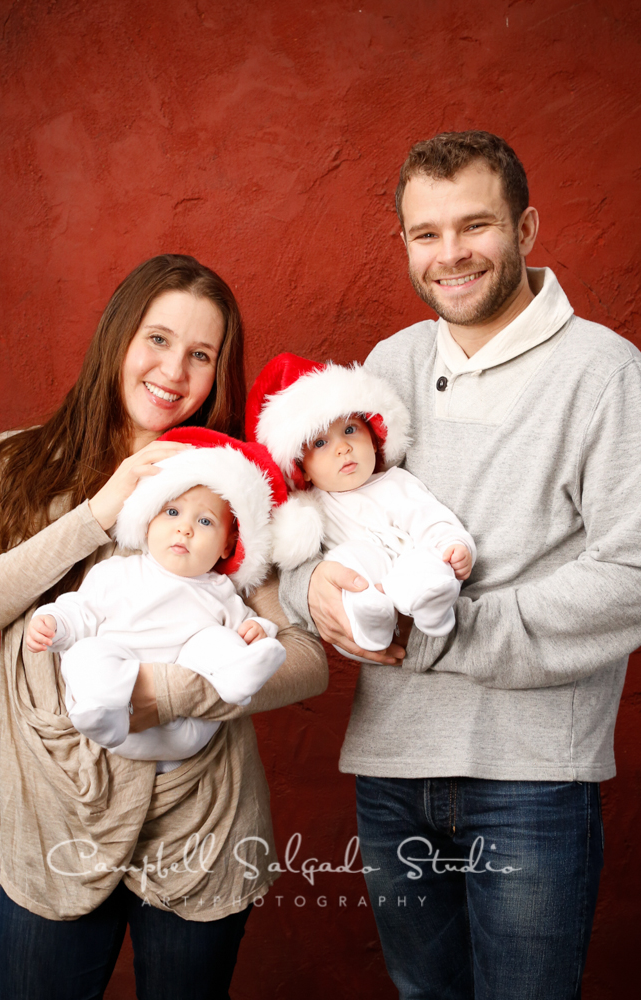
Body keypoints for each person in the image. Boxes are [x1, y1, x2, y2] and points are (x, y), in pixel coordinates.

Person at [279, 131, 641, 999]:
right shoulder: (389, 367)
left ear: (526, 227)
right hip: (393, 768)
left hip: (532, 780)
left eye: (474, 226)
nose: (451, 255)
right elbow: (331, 522)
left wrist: (447, 631)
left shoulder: (606, 373)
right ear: (404, 243)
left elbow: (631, 573)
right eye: (425, 233)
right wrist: (308, 590)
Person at [0, 253, 327, 1000]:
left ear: (218, 373)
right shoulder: (10, 464)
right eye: (157, 339)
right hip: (54, 821)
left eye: (201, 355)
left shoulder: (233, 492)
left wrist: (167, 692)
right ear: (117, 336)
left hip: (202, 826)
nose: (174, 370)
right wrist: (97, 515)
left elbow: (307, 660)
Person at [27, 430, 288, 759]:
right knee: (87, 653)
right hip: (119, 721)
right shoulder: (117, 572)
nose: (185, 529)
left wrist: (259, 633)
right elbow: (80, 611)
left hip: (189, 726)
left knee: (218, 642)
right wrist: (53, 622)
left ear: (227, 546)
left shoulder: (222, 591)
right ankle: (97, 709)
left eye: (205, 521)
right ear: (148, 520)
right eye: (173, 512)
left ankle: (238, 678)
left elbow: (248, 624)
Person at [245, 353, 475, 648]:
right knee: (346, 559)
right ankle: (370, 618)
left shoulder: (395, 483)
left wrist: (454, 546)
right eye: (320, 443)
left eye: (350, 430)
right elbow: (300, 567)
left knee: (425, 563)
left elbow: (430, 519)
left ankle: (433, 605)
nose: (342, 448)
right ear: (303, 469)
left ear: (374, 437)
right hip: (366, 584)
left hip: (411, 569)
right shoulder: (311, 513)